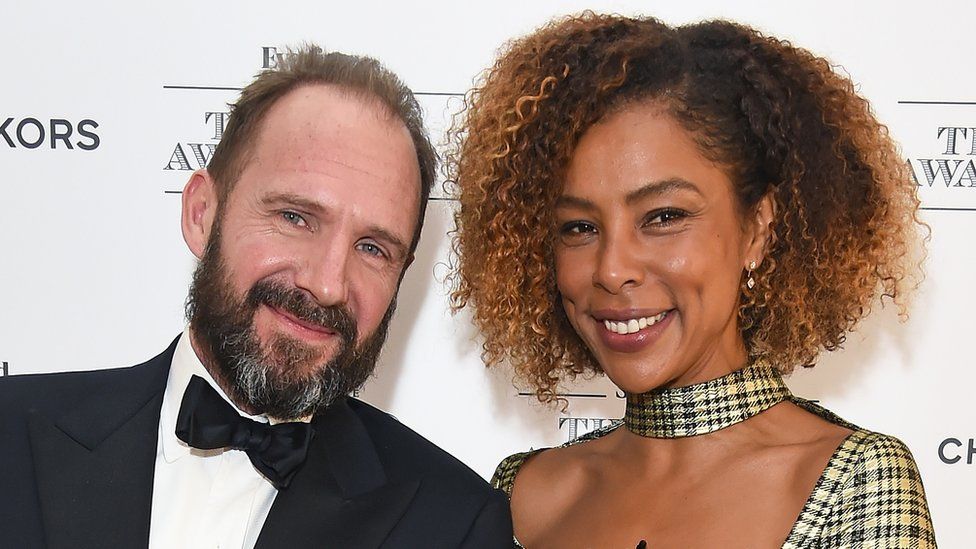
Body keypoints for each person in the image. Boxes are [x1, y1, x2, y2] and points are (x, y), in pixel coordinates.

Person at [449, 13, 935, 548]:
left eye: (663, 217)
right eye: (579, 227)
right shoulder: (523, 493)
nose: (612, 269)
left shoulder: (854, 488)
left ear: (757, 230)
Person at [0, 45, 511, 549]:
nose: (328, 283)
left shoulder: (456, 526)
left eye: (373, 248)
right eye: (295, 217)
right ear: (202, 213)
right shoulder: (12, 436)